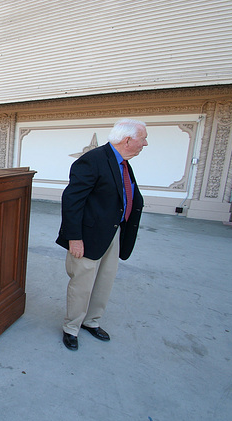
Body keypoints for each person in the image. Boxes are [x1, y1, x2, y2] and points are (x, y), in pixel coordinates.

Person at [56, 119, 148, 351]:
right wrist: (74, 238)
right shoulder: (93, 160)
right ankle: (71, 328)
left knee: (104, 282)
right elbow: (72, 201)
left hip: (113, 233)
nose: (145, 144)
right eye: (143, 139)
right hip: (87, 237)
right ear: (127, 140)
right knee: (82, 285)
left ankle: (91, 321)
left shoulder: (123, 163)